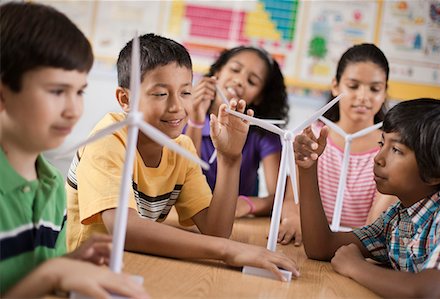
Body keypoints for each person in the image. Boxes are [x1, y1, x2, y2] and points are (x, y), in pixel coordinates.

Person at [66, 33, 299, 281]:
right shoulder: (108, 138)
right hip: (85, 273)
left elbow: (216, 230)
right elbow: (125, 229)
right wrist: (229, 251)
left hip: (137, 267)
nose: (177, 106)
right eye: (160, 94)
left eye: (185, 92)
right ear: (125, 99)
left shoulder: (182, 147)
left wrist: (230, 159)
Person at [0, 2, 148, 298]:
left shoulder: (52, 186)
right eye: (57, 91)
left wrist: (69, 263)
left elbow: (30, 280)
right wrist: (55, 272)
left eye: (79, 91)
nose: (74, 110)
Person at [294, 98, 440, 297]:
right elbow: (321, 247)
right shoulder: (396, 219)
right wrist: (308, 169)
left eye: (396, 150)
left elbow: (428, 292)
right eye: (381, 143)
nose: (378, 158)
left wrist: (356, 267)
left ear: (435, 172)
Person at [279, 43, 398, 245]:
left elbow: (376, 225)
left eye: (375, 89)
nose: (363, 96)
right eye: (353, 86)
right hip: (306, 244)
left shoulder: (392, 149)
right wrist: (292, 218)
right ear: (335, 86)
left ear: (384, 92)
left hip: (356, 251)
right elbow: (292, 199)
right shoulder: (310, 136)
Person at [185, 46, 294, 219]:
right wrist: (195, 120)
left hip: (235, 223)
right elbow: (182, 179)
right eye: (235, 69)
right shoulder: (181, 116)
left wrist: (248, 204)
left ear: (259, 97)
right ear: (218, 72)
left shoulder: (263, 134)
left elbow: (280, 196)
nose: (239, 81)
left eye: (252, 81)